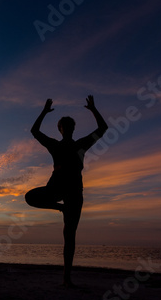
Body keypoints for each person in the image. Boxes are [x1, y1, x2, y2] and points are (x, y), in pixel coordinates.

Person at [25, 95, 108, 287]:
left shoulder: (81, 145)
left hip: (74, 191)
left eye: (70, 126)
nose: (68, 129)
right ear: (60, 130)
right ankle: (59, 208)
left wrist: (94, 109)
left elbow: (103, 129)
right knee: (29, 197)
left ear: (73, 129)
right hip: (55, 188)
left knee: (69, 236)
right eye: (65, 126)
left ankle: (66, 278)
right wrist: (44, 112)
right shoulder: (55, 145)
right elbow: (35, 131)